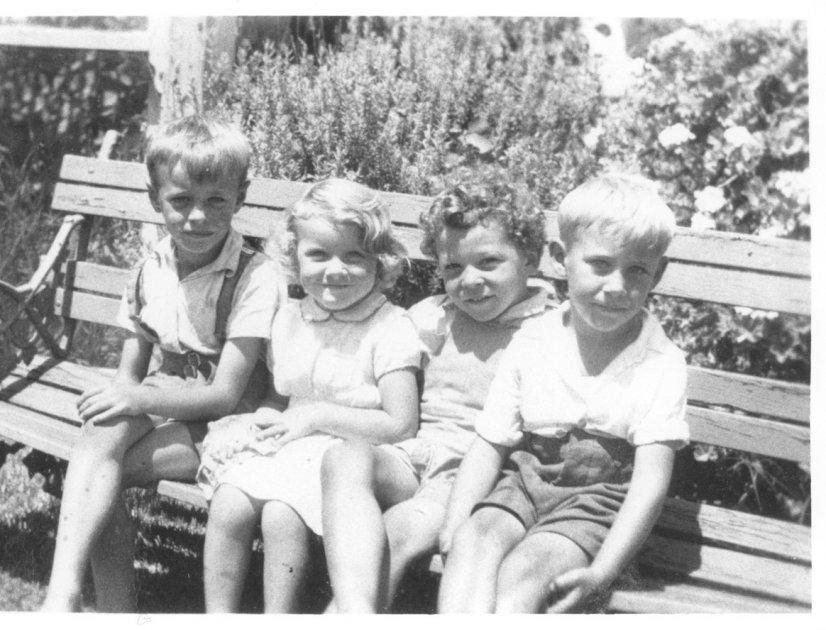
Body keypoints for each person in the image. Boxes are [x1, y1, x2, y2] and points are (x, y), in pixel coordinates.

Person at [41, 114, 282, 612]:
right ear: (155, 200)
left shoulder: (256, 277)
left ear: (241, 197)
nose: (198, 216)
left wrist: (136, 398)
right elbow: (131, 373)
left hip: (224, 423)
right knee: (100, 438)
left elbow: (225, 396)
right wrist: (121, 406)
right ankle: (65, 591)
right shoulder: (151, 268)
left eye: (216, 200)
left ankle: (112, 609)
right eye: (181, 201)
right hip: (165, 398)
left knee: (102, 477)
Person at [437, 172, 689, 613]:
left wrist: (604, 571)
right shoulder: (534, 340)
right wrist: (456, 521)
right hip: (529, 479)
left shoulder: (659, 363)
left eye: (637, 270)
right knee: (473, 542)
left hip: (600, 502)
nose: (616, 286)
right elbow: (489, 443)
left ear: (659, 273)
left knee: (524, 571)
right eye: (600, 264)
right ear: (560, 258)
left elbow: (650, 485)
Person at [320, 183, 554, 613]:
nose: (469, 282)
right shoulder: (435, 317)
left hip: (471, 474)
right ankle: (356, 613)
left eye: (489, 263)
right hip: (415, 454)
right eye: (452, 268)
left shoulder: (551, 329)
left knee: (398, 531)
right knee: (344, 457)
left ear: (532, 260)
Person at [196, 178, 423, 613]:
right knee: (229, 501)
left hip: (351, 456)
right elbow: (282, 398)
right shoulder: (290, 320)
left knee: (282, 512)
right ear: (294, 257)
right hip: (292, 443)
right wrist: (261, 418)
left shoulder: (390, 328)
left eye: (354, 256)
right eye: (317, 254)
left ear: (380, 262)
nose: (334, 271)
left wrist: (316, 416)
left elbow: (400, 423)